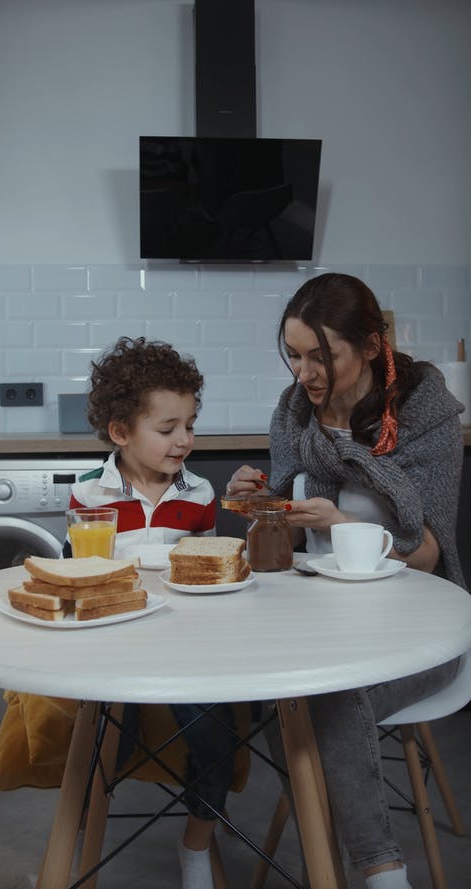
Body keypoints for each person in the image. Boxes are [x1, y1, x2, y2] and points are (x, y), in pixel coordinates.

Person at [226, 272, 466, 889]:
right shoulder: (293, 412)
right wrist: (253, 500)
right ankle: (335, 870)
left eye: (322, 356)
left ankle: (370, 872)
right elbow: (279, 517)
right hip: (321, 624)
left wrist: (341, 525)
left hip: (421, 631)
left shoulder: (424, 414)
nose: (305, 373)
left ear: (369, 345)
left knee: (322, 697)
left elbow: (430, 555)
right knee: (297, 694)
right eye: (296, 354)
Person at [65, 336, 238, 889]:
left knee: (216, 735)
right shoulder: (89, 496)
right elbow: (78, 578)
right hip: (115, 645)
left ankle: (196, 844)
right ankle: (88, 832)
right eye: (167, 430)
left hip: (188, 646)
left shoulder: (201, 492)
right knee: (106, 742)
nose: (184, 440)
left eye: (190, 424)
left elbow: (208, 574)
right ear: (121, 432)